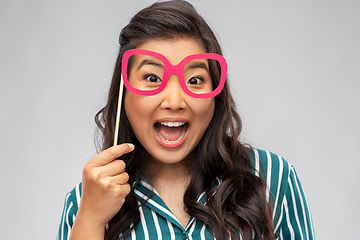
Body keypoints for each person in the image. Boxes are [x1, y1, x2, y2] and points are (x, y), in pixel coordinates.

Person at [57, 1, 315, 240]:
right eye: (152, 78)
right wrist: (90, 219)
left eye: (194, 80)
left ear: (216, 94)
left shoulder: (272, 177)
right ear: (124, 93)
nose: (174, 101)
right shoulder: (85, 202)